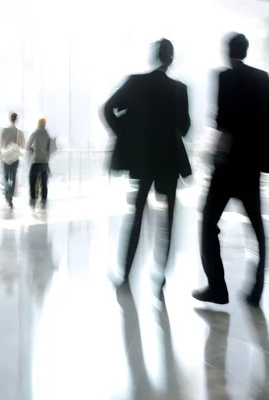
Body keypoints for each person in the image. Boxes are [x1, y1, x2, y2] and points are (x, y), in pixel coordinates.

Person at [192, 33, 269, 308]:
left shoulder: (224, 77)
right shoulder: (262, 78)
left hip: (227, 164)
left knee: (209, 223)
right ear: (246, 51)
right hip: (252, 164)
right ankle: (256, 289)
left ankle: (217, 287)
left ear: (228, 52)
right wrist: (263, 128)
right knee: (257, 228)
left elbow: (221, 119)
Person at [103, 38, 191, 290]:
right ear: (171, 58)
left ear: (154, 56)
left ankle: (126, 272)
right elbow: (184, 129)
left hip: (142, 159)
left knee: (137, 215)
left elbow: (109, 109)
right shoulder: (179, 89)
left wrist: (125, 134)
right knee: (168, 220)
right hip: (170, 162)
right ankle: (160, 276)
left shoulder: (136, 83)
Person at [0, 112, 25, 208]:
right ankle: (10, 197)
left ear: (10, 119)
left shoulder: (4, 130)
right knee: (13, 177)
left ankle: (6, 193)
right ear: (16, 120)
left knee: (5, 177)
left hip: (6, 157)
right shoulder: (19, 132)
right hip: (14, 158)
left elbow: (0, 143)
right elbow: (22, 145)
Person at [26, 118, 53, 209]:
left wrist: (32, 150)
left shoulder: (35, 133)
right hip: (45, 162)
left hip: (36, 160)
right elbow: (49, 149)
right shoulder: (47, 135)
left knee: (32, 180)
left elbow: (27, 145)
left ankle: (33, 198)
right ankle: (44, 199)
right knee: (44, 182)